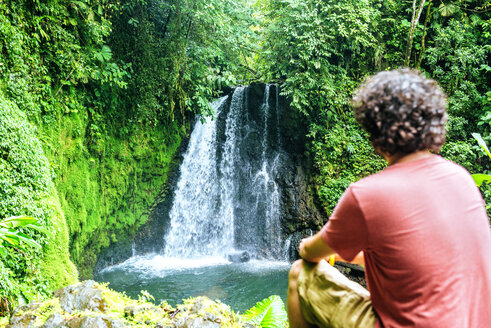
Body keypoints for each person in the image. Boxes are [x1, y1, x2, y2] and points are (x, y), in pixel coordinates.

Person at [287, 69, 491, 328]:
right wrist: (349, 255)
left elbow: (311, 252)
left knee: (299, 273)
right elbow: (408, 257)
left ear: (374, 128)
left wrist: (309, 246)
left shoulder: (367, 195)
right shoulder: (460, 177)